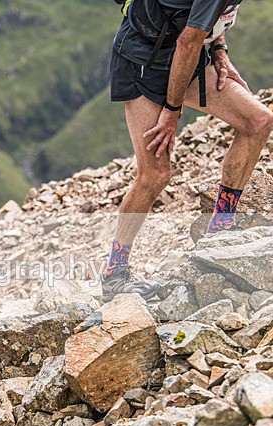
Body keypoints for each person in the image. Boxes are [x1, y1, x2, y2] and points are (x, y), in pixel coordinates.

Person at [103, 0, 273, 302]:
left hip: (186, 59)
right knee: (155, 175)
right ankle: (114, 274)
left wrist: (220, 51)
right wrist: (171, 111)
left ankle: (220, 228)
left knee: (257, 122)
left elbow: (211, 17)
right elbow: (188, 40)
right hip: (144, 61)